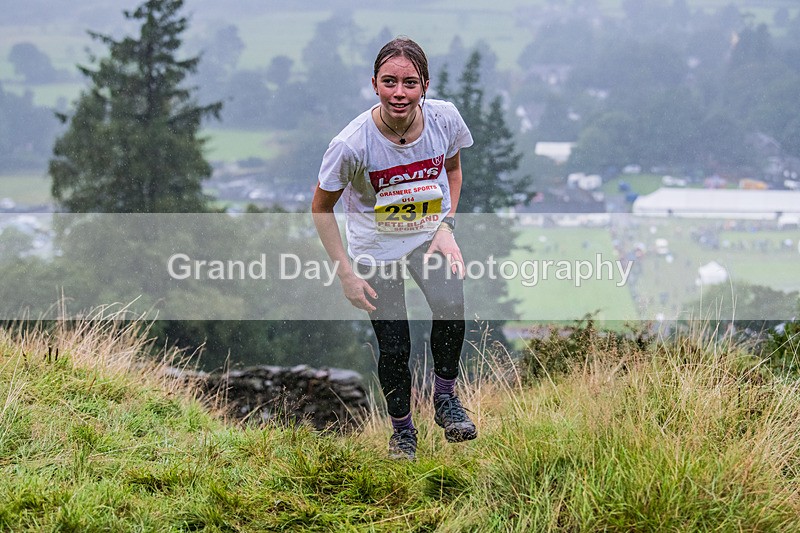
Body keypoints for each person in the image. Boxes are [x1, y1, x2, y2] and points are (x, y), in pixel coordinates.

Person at [311, 36, 476, 460]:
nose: (398, 93)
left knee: (452, 307)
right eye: (389, 82)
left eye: (409, 83)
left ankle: (445, 399)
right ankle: (403, 434)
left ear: (424, 85)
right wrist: (345, 272)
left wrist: (447, 225)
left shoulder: (445, 119)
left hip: (427, 233)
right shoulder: (351, 145)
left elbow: (453, 171)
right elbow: (321, 208)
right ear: (374, 84)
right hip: (375, 248)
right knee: (396, 345)